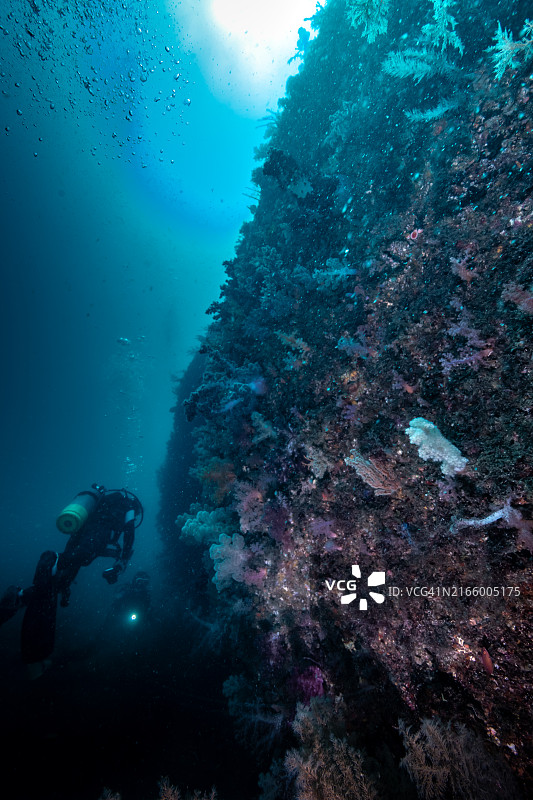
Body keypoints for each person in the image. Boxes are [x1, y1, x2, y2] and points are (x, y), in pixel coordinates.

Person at [0, 483, 143, 671]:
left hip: (82, 532)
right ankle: (51, 559)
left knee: (59, 582)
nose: (135, 517)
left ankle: (19, 597)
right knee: (74, 560)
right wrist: (122, 561)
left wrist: (115, 560)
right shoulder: (129, 507)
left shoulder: (106, 503)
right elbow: (129, 532)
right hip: (94, 533)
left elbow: (96, 546)